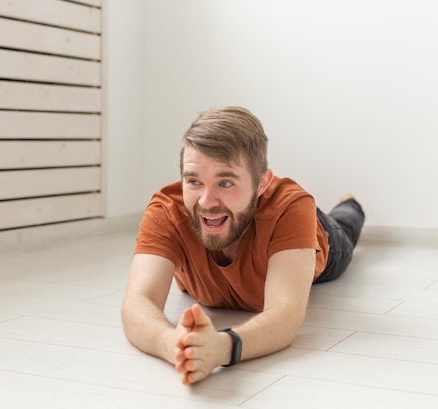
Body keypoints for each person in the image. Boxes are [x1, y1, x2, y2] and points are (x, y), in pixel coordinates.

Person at [121, 106, 365, 385]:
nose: (206, 201)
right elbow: (137, 302)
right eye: (194, 181)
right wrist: (176, 346)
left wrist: (221, 348)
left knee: (346, 221)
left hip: (325, 240)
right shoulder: (167, 210)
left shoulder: (291, 207)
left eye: (225, 182)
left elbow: (286, 313)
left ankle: (350, 202)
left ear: (262, 183)